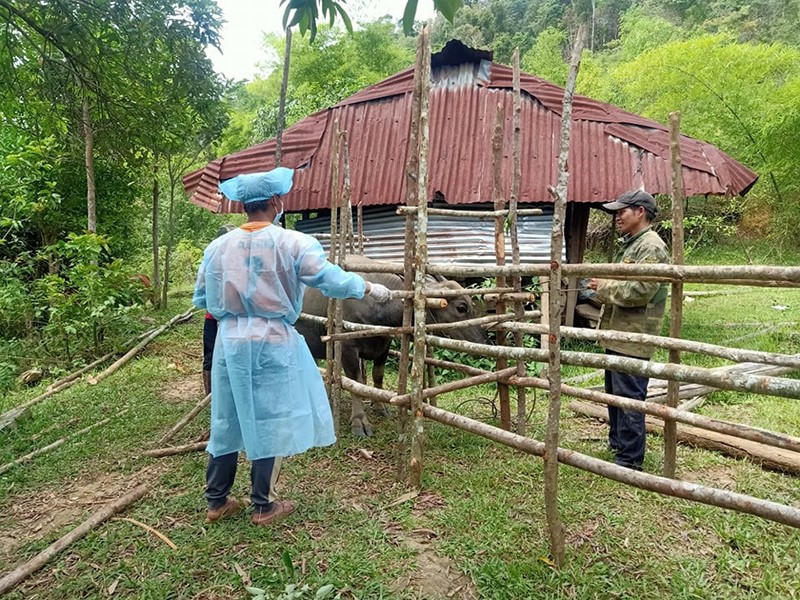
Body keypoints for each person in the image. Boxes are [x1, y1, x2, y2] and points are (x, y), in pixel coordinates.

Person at [193, 167, 391, 526]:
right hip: (271, 340)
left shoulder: (217, 248)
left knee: (227, 416)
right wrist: (368, 288)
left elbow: (202, 296)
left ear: (244, 207)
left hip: (230, 341)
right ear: (275, 202)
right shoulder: (293, 243)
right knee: (269, 418)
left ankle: (216, 500)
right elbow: (329, 279)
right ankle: (263, 504)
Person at [587, 189, 669, 471]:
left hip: (635, 335)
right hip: (619, 332)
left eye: (622, 211)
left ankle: (630, 459)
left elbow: (642, 290)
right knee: (615, 394)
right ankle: (619, 444)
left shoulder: (651, 246)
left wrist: (604, 287)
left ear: (640, 212)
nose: (618, 216)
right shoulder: (633, 244)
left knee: (629, 398)